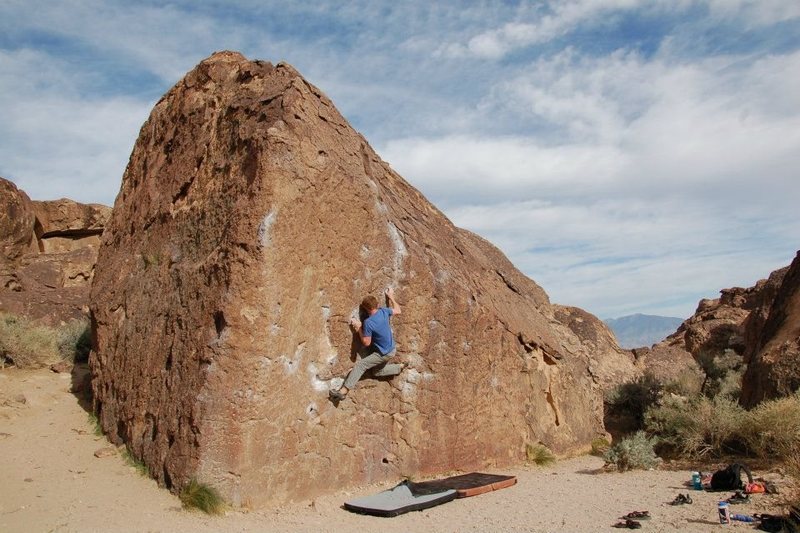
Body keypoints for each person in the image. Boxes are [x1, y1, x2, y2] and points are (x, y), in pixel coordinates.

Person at [329, 287, 404, 401]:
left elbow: (366, 342)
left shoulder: (368, 323)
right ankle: (399, 367)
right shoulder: (384, 311)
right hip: (392, 349)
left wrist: (359, 328)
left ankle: (343, 392)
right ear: (377, 304)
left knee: (361, 365)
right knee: (376, 372)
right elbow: (398, 310)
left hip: (383, 353)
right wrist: (391, 297)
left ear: (365, 309)